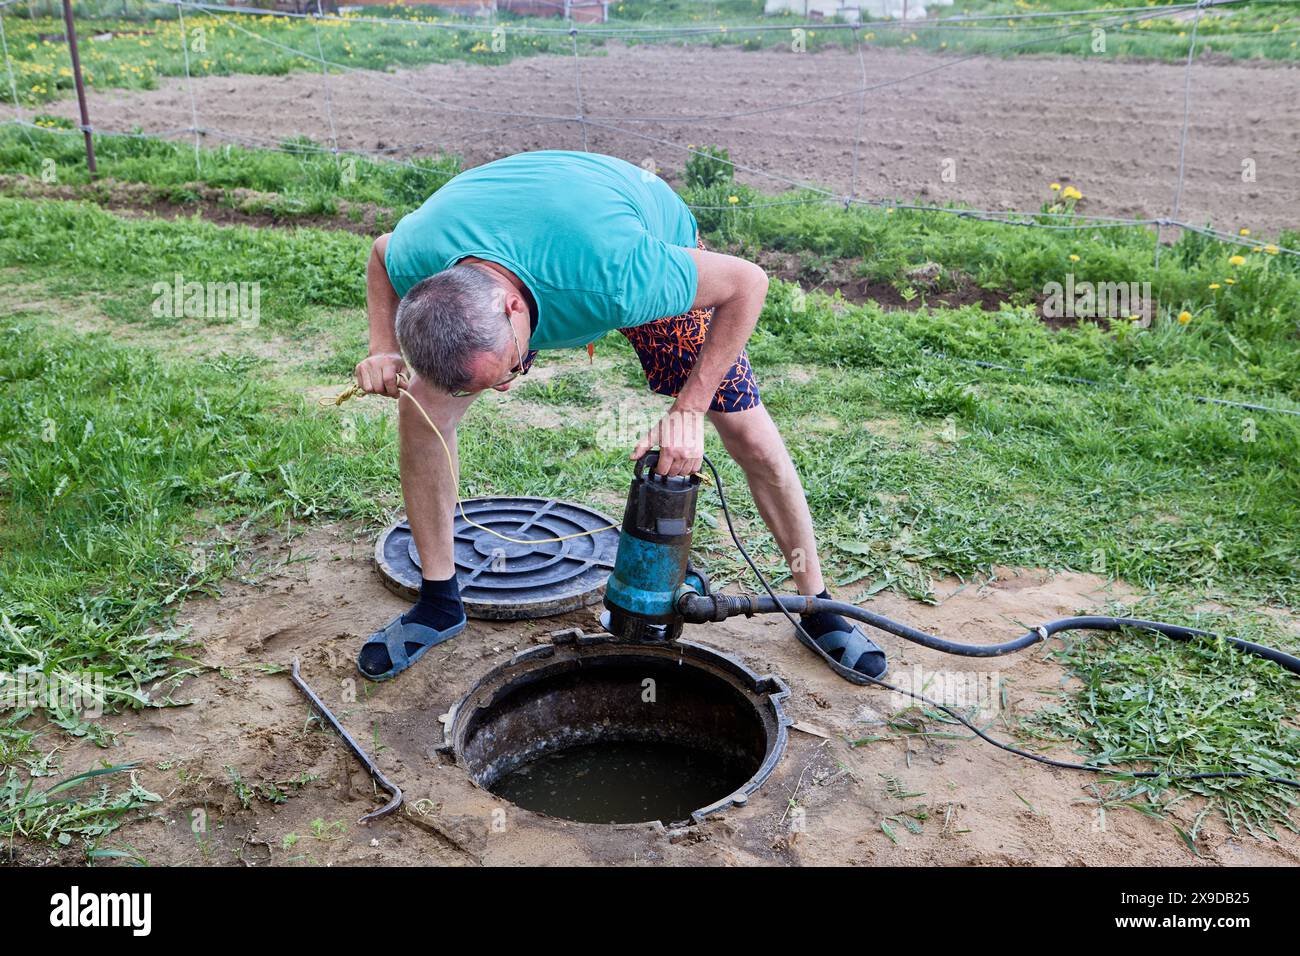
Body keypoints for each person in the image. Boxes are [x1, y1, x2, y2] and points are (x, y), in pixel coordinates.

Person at [352, 150, 885, 684]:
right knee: (419, 411)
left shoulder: (625, 274)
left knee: (750, 436)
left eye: (513, 367)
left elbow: (748, 282)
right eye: (500, 379)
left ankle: (816, 602)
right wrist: (383, 348)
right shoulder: (421, 253)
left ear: (512, 308)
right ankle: (440, 601)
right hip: (529, 235)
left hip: (625, 231)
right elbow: (381, 254)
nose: (513, 382)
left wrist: (689, 411)